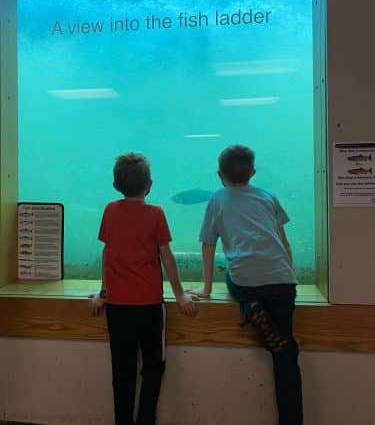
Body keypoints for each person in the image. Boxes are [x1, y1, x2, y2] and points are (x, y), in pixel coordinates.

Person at [189, 144, 303, 425]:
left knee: (233, 274)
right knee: (286, 355)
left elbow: (207, 244)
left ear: (219, 174)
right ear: (253, 172)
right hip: (282, 281)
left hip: (246, 282)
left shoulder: (217, 199)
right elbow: (284, 245)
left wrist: (205, 289)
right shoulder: (268, 196)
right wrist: (288, 273)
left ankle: (250, 308)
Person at [89, 152, 198, 425]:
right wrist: (180, 294)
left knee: (121, 372)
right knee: (153, 367)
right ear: (150, 184)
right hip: (150, 307)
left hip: (118, 308)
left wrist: (103, 294)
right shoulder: (156, 213)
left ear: (115, 186)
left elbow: (108, 254)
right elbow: (167, 256)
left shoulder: (110, 210)